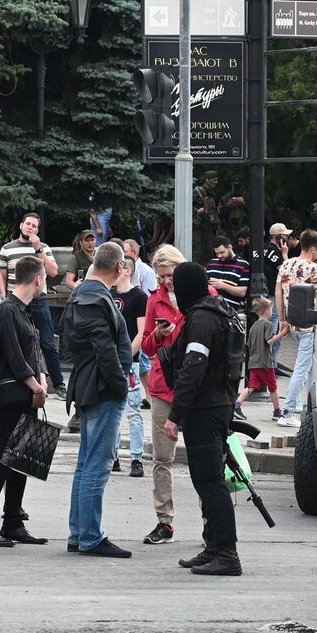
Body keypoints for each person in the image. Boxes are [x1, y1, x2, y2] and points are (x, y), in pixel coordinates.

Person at [164, 261, 242, 576]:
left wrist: (175, 414)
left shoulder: (201, 319)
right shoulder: (218, 311)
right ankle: (213, 547)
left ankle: (227, 554)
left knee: (210, 482)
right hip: (216, 404)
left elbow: (193, 368)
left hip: (205, 409)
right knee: (206, 480)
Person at [0, 254, 49, 547]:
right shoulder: (7, 310)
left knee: (21, 461)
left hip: (29, 393)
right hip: (15, 395)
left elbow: (36, 350)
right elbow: (15, 357)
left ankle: (13, 522)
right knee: (3, 460)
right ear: (38, 279)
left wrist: (41, 381)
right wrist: (36, 387)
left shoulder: (24, 310)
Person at [63, 242, 134, 558]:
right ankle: (89, 536)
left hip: (92, 386)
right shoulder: (94, 295)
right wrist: (120, 385)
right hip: (102, 389)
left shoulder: (82, 292)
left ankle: (80, 533)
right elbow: (105, 350)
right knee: (97, 462)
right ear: (119, 267)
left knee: (87, 462)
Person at [139, 243, 201, 546]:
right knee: (162, 458)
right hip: (164, 387)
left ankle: (210, 520)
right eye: (162, 276)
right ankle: (164, 521)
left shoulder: (204, 296)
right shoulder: (155, 300)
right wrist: (158, 335)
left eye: (171, 274)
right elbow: (147, 348)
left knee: (205, 457)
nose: (167, 281)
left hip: (196, 389)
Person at [0, 213, 63, 393]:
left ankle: (58, 384)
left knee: (47, 342)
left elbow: (53, 271)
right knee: (17, 341)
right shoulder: (7, 249)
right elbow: (1, 275)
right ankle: (19, 379)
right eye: (28, 224)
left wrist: (38, 249)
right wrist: (3, 295)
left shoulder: (43, 247)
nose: (30, 228)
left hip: (38, 300)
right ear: (21, 225)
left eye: (34, 226)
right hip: (15, 302)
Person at [275, 229, 317, 428]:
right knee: (302, 367)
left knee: (308, 365)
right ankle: (287, 411)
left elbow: (278, 292)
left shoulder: (286, 264)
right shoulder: (314, 269)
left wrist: (282, 318)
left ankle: (306, 406)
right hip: (309, 324)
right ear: (312, 248)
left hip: (292, 323)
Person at [110, 253, 148, 477]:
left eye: (120, 267)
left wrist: (126, 357)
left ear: (127, 270)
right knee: (112, 409)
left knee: (133, 411)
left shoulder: (138, 297)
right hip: (111, 362)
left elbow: (141, 333)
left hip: (128, 362)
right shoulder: (109, 293)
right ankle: (113, 455)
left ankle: (136, 457)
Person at [234, 297, 284, 420]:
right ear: (267, 312)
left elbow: (249, 344)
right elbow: (269, 341)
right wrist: (283, 333)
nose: (272, 312)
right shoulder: (268, 324)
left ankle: (236, 405)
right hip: (265, 363)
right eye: (271, 310)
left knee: (252, 386)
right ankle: (277, 412)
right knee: (273, 387)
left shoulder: (254, 326)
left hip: (253, 362)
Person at [262, 224, 292, 366]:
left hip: (264, 292)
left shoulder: (263, 250)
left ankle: (272, 363)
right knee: (274, 329)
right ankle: (271, 364)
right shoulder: (274, 253)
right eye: (285, 235)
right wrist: (285, 254)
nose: (287, 237)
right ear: (277, 237)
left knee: (271, 327)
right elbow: (287, 273)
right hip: (273, 294)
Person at [205, 235, 250, 314]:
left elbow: (242, 292)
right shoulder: (211, 263)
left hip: (228, 313)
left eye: (222, 252)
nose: (219, 256)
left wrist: (223, 286)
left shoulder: (243, 265)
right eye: (217, 253)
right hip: (209, 310)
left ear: (230, 247)